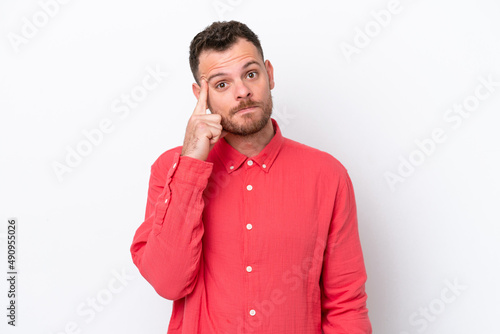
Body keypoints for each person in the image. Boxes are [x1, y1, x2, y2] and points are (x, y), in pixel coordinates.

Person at [130, 20, 372, 334]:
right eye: (221, 84)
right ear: (199, 96)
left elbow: (346, 305)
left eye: (251, 74)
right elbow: (168, 282)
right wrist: (191, 163)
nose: (242, 91)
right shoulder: (171, 169)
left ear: (269, 74)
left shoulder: (327, 175)